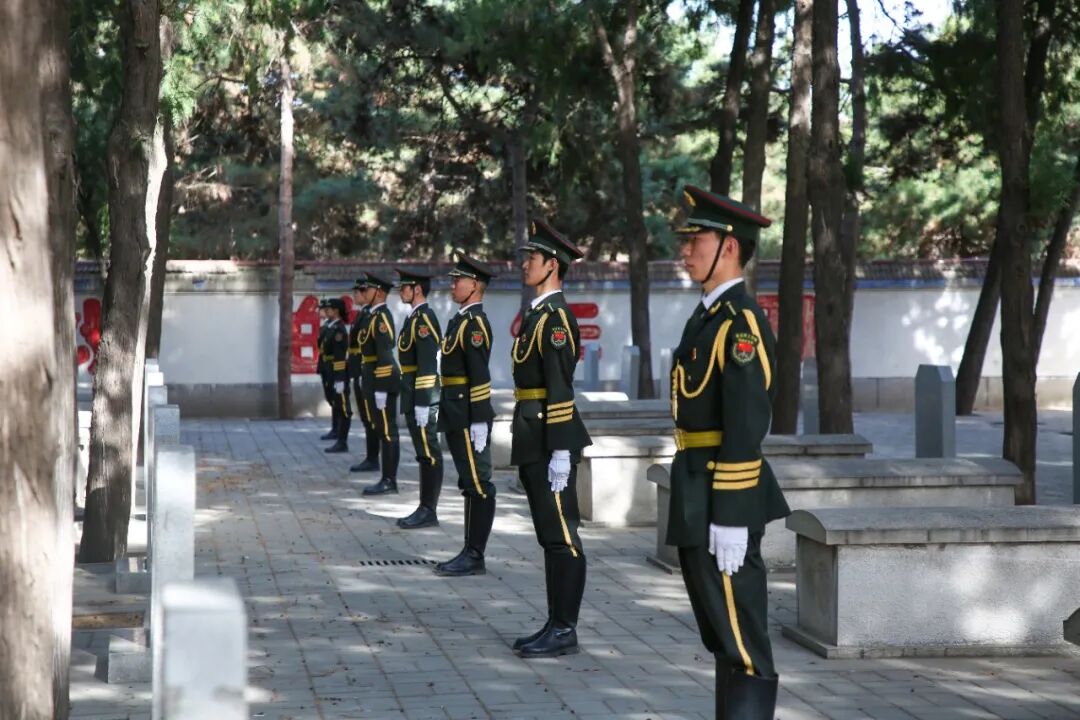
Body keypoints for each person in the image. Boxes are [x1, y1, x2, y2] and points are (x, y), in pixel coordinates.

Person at [669, 184, 790, 719]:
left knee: (743, 643)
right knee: (722, 634)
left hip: (723, 491)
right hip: (698, 487)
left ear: (731, 248)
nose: (687, 249)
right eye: (688, 239)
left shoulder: (739, 323)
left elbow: (745, 423)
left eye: (698, 239)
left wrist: (734, 515)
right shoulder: (707, 317)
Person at [510, 219, 590, 659]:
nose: (525, 264)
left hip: (549, 437)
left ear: (552, 265)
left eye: (533, 258)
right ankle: (554, 621)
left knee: (562, 535)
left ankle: (565, 628)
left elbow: (560, 385)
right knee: (549, 535)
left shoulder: (556, 318)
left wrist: (561, 449)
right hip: (533, 435)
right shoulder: (539, 314)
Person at [433, 252, 496, 577]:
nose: (453, 284)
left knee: (479, 483)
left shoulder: (474, 325)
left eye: (458, 280)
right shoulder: (459, 320)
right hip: (456, 409)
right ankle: (469, 551)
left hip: (469, 412)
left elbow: (479, 375)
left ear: (475, 285)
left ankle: (475, 554)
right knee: (469, 483)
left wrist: (481, 420)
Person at [395, 268, 444, 529]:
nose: (400, 290)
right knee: (423, 452)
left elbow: (427, 364)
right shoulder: (414, 318)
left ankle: (429, 509)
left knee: (429, 452)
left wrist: (424, 402)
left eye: (405, 286)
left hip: (421, 394)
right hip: (413, 391)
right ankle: (424, 507)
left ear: (417, 290)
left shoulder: (423, 319)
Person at [358, 271, 401, 495]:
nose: (364, 292)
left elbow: (385, 354)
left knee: (387, 431)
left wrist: (382, 388)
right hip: (373, 378)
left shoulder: (382, 318)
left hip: (381, 379)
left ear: (379, 292)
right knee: (382, 429)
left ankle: (389, 480)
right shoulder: (373, 316)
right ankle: (386, 477)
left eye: (368, 289)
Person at [348, 276, 380, 473]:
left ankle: (373, 458)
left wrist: (361, 371)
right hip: (359, 369)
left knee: (371, 418)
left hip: (365, 369)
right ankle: (370, 456)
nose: (355, 296)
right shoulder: (363, 314)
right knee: (366, 417)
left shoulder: (371, 316)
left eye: (358, 292)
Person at [323, 298, 352, 453]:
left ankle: (342, 441)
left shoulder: (339, 330)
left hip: (338, 372)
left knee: (343, 408)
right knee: (337, 405)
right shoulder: (331, 327)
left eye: (330, 309)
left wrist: (340, 378)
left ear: (336, 311)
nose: (326, 312)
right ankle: (339, 438)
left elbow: (340, 355)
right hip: (332, 370)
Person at [317, 299, 338, 441]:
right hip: (326, 366)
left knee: (337, 401)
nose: (322, 312)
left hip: (333, 367)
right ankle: (335, 428)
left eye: (324, 309)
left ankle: (338, 430)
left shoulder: (336, 328)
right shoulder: (327, 326)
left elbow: (339, 352)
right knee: (331, 399)